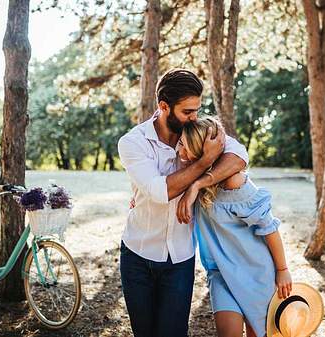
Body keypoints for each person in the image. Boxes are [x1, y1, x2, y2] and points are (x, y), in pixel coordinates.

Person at [117, 68, 249, 337]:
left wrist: (198, 184)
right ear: (164, 107)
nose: (194, 117)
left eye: (197, 110)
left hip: (180, 258)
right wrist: (203, 161)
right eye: (187, 111)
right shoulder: (133, 142)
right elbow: (159, 190)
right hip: (137, 256)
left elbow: (239, 156)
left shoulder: (198, 132)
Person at [176, 116, 292, 337]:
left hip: (255, 272)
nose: (180, 152)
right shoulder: (191, 177)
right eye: (180, 143)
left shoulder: (233, 181)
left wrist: (282, 270)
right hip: (220, 274)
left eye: (186, 147)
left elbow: (269, 227)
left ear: (203, 152)